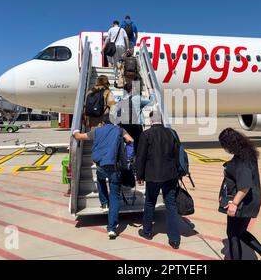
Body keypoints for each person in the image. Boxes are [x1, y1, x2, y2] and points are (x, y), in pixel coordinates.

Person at [219, 128, 261, 260]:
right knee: (241, 232)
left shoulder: (241, 161)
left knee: (232, 235)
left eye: (225, 145)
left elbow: (244, 186)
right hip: (250, 200)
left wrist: (234, 204)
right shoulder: (248, 154)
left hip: (242, 202)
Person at [72, 117, 133, 239]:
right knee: (115, 197)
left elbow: (80, 137)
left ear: (102, 123)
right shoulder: (120, 130)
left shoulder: (97, 131)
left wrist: (75, 131)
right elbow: (130, 140)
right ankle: (111, 228)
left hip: (101, 166)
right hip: (115, 167)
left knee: (100, 180)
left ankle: (104, 203)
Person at [136, 110, 181, 249]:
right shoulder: (171, 133)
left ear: (151, 121)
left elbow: (141, 157)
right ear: (161, 120)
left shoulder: (146, 134)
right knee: (171, 205)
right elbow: (177, 154)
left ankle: (147, 231)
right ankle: (174, 239)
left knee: (150, 202)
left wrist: (140, 176)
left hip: (153, 175)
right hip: (170, 175)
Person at [116, 82, 155, 153]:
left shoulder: (121, 99)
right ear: (132, 89)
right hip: (136, 125)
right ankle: (136, 159)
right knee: (138, 144)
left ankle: (128, 159)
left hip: (125, 125)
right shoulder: (137, 98)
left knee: (128, 143)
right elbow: (151, 102)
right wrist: (152, 94)